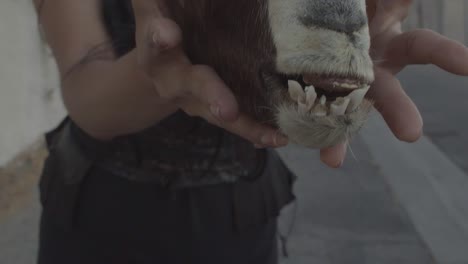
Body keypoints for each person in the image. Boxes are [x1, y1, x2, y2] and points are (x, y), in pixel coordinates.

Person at [33, 0, 468, 263]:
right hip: (100, 214)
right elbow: (86, 91)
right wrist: (176, 59)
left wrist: (364, 25)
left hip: (240, 216)